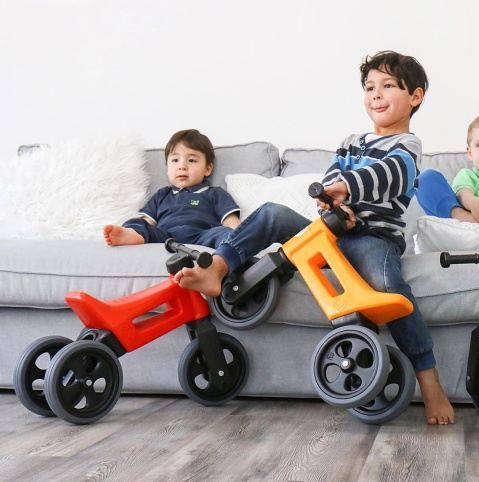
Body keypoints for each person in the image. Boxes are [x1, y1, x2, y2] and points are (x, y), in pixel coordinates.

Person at [174, 51, 455, 425]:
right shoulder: (351, 142)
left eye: (388, 86)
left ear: (415, 96)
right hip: (330, 232)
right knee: (272, 213)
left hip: (374, 238)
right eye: (370, 87)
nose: (376, 94)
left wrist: (346, 189)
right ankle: (219, 267)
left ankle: (430, 383)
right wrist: (330, 199)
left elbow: (392, 175)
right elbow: (329, 181)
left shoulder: (407, 145)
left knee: (390, 286)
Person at [103, 129, 240, 247]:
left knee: (224, 233)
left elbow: (231, 222)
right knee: (138, 223)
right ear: (167, 167)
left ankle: (235, 248)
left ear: (208, 169)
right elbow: (147, 221)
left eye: (191, 160)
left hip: (202, 236)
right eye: (175, 160)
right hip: (165, 237)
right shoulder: (162, 195)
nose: (182, 166)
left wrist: (239, 235)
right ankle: (131, 235)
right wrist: (138, 229)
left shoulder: (215, 193)